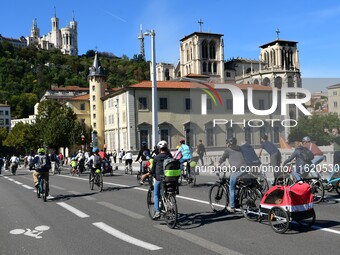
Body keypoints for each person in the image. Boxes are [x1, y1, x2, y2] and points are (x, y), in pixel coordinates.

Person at [143, 140, 172, 219]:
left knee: (156, 194)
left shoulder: (156, 157)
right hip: (170, 178)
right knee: (168, 191)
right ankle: (170, 203)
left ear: (159, 148)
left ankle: (157, 212)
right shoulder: (169, 156)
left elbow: (152, 170)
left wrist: (148, 174)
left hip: (159, 179)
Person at [218, 137, 247, 213]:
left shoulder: (228, 150)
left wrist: (217, 165)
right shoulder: (240, 148)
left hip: (237, 170)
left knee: (232, 188)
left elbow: (222, 159)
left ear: (229, 143)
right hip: (246, 168)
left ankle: (232, 206)